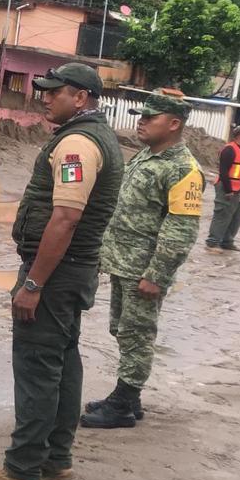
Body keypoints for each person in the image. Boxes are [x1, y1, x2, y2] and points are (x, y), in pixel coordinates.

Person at [0, 63, 123, 480]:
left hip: (54, 272)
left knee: (38, 366)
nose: (45, 98)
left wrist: (33, 283)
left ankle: (21, 470)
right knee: (62, 361)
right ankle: (56, 458)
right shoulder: (94, 137)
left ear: (80, 96)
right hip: (73, 270)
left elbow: (66, 217)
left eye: (54, 92)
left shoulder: (76, 143)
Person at [81, 94, 204, 428]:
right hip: (124, 263)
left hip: (144, 270)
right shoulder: (147, 156)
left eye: (151, 117)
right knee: (121, 328)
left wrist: (157, 275)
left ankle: (122, 405)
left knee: (138, 334)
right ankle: (129, 396)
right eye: (141, 116)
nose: (142, 121)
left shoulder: (183, 169)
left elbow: (181, 231)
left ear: (174, 123)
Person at [205, 124, 240, 251]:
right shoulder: (229, 149)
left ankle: (227, 242)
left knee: (237, 217)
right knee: (222, 215)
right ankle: (212, 242)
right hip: (227, 188)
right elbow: (223, 171)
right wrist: (228, 190)